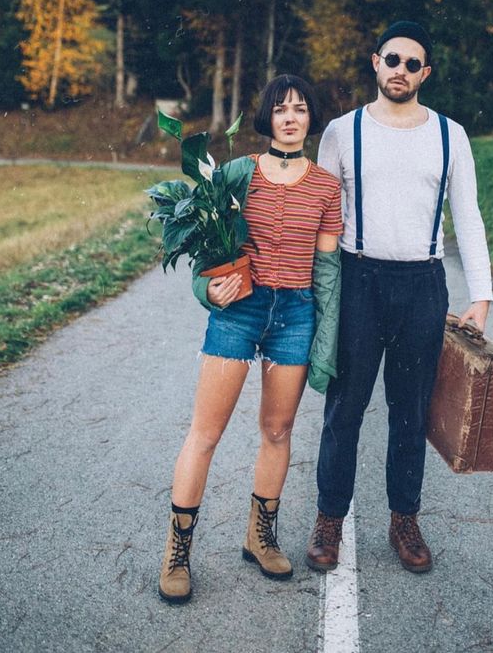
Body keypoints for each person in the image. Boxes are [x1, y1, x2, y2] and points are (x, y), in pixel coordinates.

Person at [306, 21, 493, 574]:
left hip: (422, 286)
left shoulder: (449, 134)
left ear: (425, 74)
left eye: (413, 64)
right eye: (393, 60)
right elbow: (319, 217)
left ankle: (404, 520)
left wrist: (480, 294)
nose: (401, 71)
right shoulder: (342, 132)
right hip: (359, 281)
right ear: (375, 62)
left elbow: (469, 216)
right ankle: (328, 520)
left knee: (410, 412)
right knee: (345, 409)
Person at [159, 74, 342, 604]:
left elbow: (327, 272)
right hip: (239, 310)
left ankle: (259, 537)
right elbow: (203, 251)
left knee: (278, 431)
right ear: (266, 118)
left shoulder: (328, 186)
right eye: (281, 108)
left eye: (301, 109)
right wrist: (206, 292)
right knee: (206, 434)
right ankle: (177, 554)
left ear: (311, 120)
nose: (290, 117)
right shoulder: (238, 174)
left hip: (295, 313)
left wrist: (325, 342)